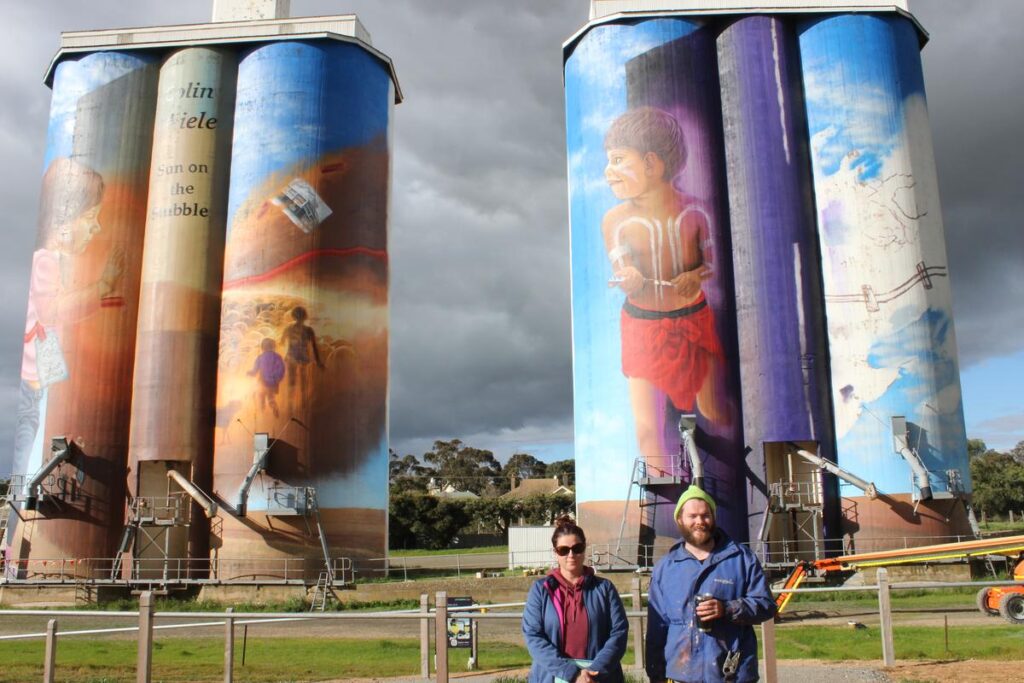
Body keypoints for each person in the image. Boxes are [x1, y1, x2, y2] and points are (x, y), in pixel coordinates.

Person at [601, 106, 726, 463]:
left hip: (694, 321)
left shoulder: (696, 212)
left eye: (619, 159)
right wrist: (629, 278)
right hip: (642, 329)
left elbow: (710, 264)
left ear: (652, 164)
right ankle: (662, 488)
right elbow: (621, 267)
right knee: (647, 430)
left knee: (715, 411)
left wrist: (695, 275)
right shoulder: (615, 220)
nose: (608, 172)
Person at [646, 486, 777, 682]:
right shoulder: (665, 568)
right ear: (679, 519)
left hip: (733, 674)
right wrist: (655, 674)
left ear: (714, 517)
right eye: (692, 516)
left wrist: (728, 608)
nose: (700, 521)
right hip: (681, 675)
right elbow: (657, 628)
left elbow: (766, 605)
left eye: (705, 515)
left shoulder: (742, 559)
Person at [522, 516, 628, 683]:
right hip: (550, 677)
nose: (571, 555)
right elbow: (533, 636)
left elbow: (619, 633)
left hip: (598, 679)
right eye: (563, 550)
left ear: (584, 549)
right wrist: (572, 674)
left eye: (577, 548)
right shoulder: (541, 590)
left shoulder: (605, 588)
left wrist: (592, 673)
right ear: (555, 553)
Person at [248, 337, 286, 418]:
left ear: (263, 347)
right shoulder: (278, 357)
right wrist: (276, 379)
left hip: (262, 382)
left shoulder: (260, 357)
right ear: (273, 346)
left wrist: (249, 373)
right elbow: (281, 369)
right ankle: (274, 407)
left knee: (261, 397)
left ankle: (262, 414)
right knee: (271, 398)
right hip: (272, 383)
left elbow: (255, 370)